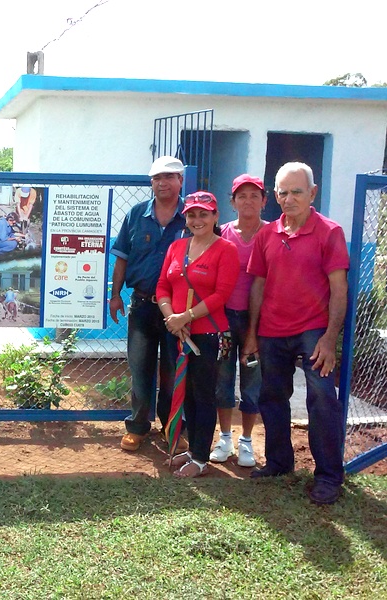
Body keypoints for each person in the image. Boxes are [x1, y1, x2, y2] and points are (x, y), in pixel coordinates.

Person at [243, 162, 349, 505]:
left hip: (313, 332)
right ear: (275, 196)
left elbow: (339, 289)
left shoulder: (329, 232)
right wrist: (253, 333)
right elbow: (257, 285)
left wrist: (330, 339)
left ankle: (329, 476)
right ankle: (278, 462)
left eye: (297, 192)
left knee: (321, 399)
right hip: (272, 332)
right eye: (283, 193)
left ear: (313, 193)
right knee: (271, 396)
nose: (289, 199)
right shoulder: (267, 234)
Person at [109, 156, 188, 453]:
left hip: (177, 311)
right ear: (151, 182)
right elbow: (122, 258)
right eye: (157, 178)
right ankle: (138, 427)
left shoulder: (192, 216)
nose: (162, 183)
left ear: (180, 180)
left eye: (169, 177)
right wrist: (115, 295)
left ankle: (172, 428)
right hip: (142, 305)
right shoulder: (136, 214)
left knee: (172, 369)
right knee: (140, 369)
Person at [157, 192, 239, 477]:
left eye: (204, 214)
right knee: (184, 392)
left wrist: (187, 316)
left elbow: (222, 294)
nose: (197, 219)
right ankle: (192, 450)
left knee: (203, 394)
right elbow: (162, 286)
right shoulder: (177, 247)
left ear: (215, 217)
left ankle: (202, 458)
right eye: (192, 214)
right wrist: (171, 318)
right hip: (176, 332)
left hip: (207, 335)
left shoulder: (225, 249)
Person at [209, 175, 268, 468]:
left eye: (254, 196)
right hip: (223, 319)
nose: (248, 201)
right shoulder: (221, 234)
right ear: (232, 203)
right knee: (222, 379)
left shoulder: (272, 234)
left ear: (264, 201)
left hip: (258, 323)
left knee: (252, 380)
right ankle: (225, 438)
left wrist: (255, 331)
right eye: (241, 196)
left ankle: (247, 442)